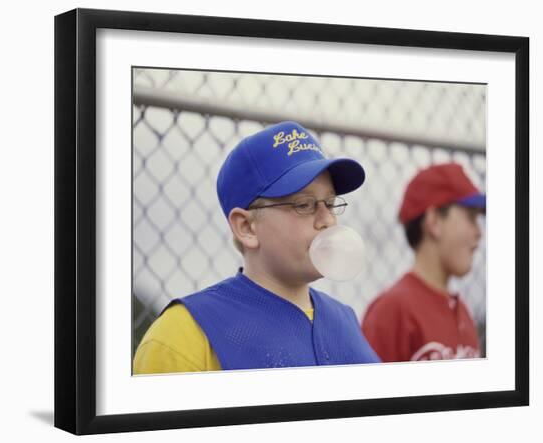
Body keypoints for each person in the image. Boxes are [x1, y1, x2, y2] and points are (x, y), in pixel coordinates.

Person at [133, 121, 380, 373]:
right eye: (304, 205)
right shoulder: (184, 334)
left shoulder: (345, 320)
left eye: (330, 202)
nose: (327, 219)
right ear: (247, 228)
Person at [361, 162, 485, 362]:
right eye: (471, 217)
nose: (479, 232)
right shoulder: (392, 311)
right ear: (434, 221)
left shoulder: (462, 310)